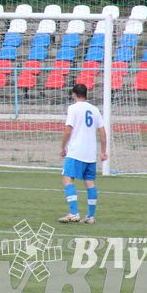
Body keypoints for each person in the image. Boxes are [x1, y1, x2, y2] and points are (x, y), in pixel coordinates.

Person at [59, 83, 107, 224]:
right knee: (89, 182)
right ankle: (90, 216)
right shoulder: (94, 109)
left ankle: (74, 213)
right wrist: (103, 151)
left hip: (76, 151)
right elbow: (102, 132)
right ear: (86, 94)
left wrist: (63, 147)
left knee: (67, 179)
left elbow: (68, 130)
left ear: (74, 94)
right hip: (90, 153)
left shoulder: (73, 108)